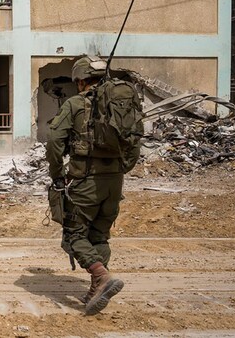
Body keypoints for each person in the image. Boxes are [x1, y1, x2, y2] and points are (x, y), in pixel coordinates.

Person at [46, 56, 141, 315]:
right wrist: (121, 169)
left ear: (80, 81)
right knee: (99, 235)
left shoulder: (75, 104)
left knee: (73, 235)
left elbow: (54, 140)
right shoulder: (120, 106)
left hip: (84, 181)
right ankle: (95, 288)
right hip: (114, 182)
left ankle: (101, 276)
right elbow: (136, 141)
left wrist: (57, 174)